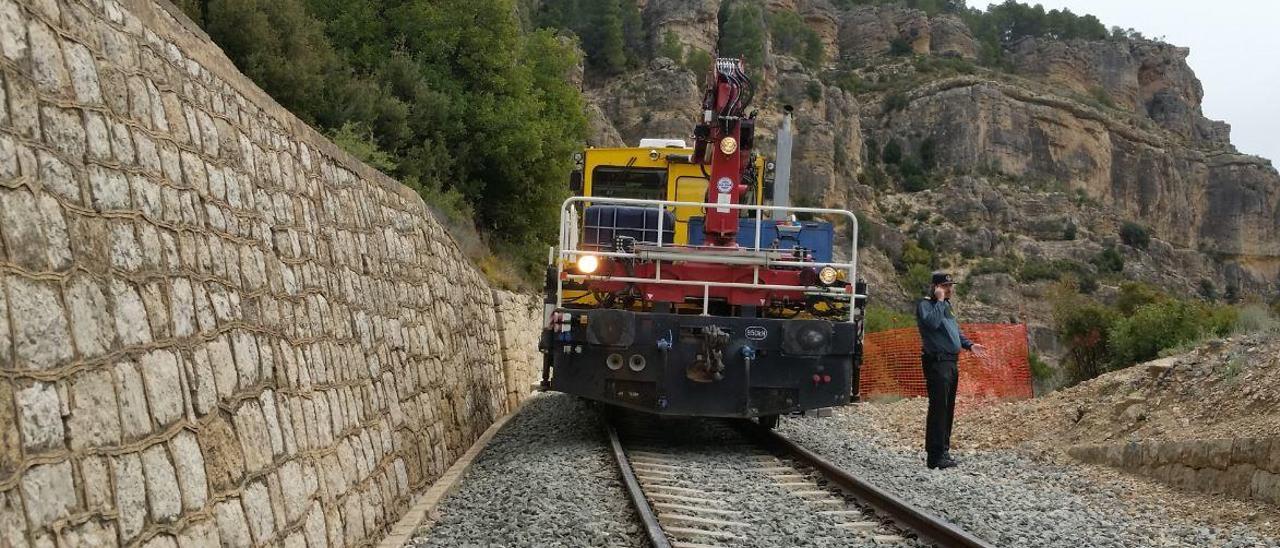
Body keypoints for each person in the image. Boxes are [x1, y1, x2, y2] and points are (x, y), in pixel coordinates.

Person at [916, 271, 987, 470]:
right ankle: (935, 455)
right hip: (937, 362)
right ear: (936, 287)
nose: (949, 289)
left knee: (947, 408)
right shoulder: (926, 305)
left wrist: (969, 344)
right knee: (939, 408)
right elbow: (932, 323)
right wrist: (938, 301)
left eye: (950, 286)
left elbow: (954, 330)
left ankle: (944, 450)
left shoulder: (946, 306)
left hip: (950, 362)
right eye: (945, 286)